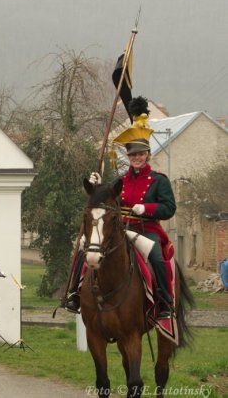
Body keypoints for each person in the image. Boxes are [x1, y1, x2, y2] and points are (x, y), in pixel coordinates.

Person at [64, 97, 176, 319]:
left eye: (141, 154)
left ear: (147, 156)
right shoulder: (120, 180)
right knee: (85, 247)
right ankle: (74, 294)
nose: (137, 158)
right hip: (120, 229)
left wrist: (147, 208)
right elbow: (106, 200)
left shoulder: (159, 181)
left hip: (147, 230)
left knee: (155, 256)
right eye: (133, 155)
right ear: (128, 156)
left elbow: (169, 208)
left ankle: (165, 302)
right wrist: (97, 185)